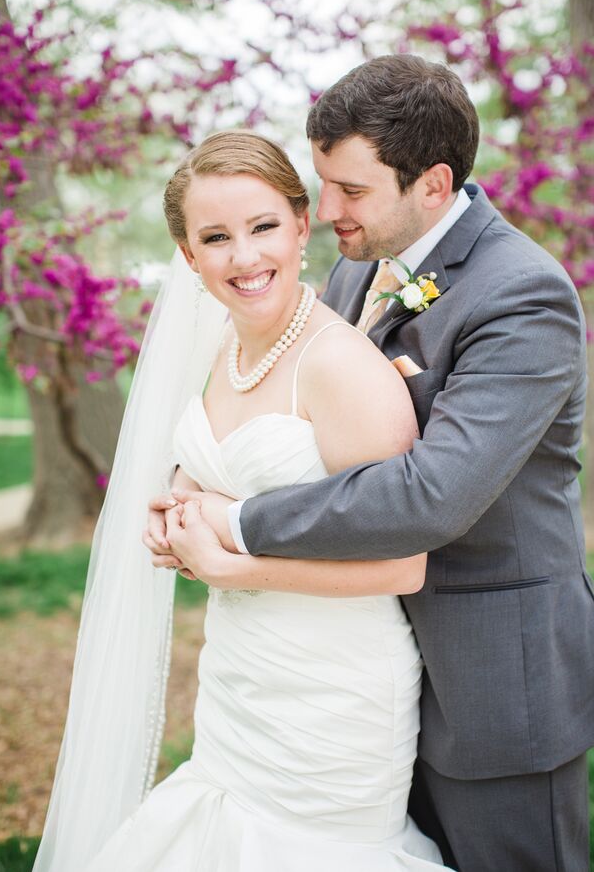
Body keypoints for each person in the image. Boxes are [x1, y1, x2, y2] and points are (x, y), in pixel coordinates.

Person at [148, 56, 594, 871]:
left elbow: (432, 495)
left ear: (432, 182)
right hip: (357, 681)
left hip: (493, 683)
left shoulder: (524, 294)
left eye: (350, 190)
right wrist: (194, 491)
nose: (327, 211)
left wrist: (238, 524)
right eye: (324, 184)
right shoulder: (359, 263)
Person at [34, 129, 454, 871]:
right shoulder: (216, 351)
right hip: (240, 679)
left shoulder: (341, 368)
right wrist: (178, 505)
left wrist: (230, 569)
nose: (245, 256)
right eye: (216, 238)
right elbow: (215, 463)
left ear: (300, 224)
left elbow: (403, 566)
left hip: (335, 694)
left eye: (263, 226)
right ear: (189, 256)